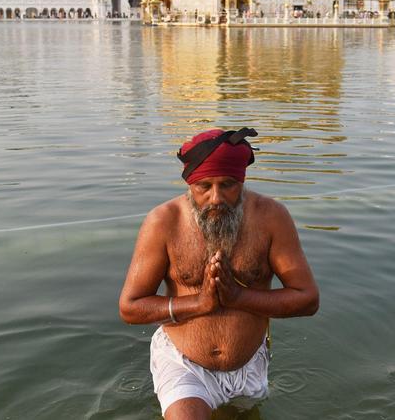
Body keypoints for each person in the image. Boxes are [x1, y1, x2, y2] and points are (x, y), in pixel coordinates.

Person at [119, 128, 319, 419]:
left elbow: (308, 299)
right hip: (183, 363)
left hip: (250, 364)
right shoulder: (163, 222)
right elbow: (130, 308)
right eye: (204, 186)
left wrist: (238, 296)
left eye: (228, 185)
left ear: (242, 181)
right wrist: (200, 303)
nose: (216, 198)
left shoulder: (271, 217)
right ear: (190, 184)